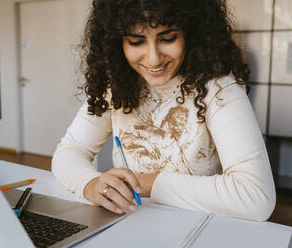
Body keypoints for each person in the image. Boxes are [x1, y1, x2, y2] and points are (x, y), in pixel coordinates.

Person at [52, 0, 276, 221]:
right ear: (117, 42)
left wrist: (148, 182)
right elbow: (70, 150)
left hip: (199, 228)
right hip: (131, 223)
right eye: (136, 42)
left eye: (167, 38)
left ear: (191, 32)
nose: (153, 58)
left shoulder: (218, 87)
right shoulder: (116, 85)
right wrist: (90, 185)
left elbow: (256, 197)